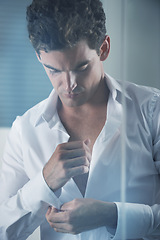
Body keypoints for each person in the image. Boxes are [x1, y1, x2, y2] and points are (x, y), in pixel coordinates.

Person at [0, 0, 160, 239]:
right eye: (53, 70)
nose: (68, 85)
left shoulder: (152, 110)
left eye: (81, 67)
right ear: (38, 57)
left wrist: (113, 216)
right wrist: (44, 183)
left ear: (104, 48)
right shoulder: (24, 131)